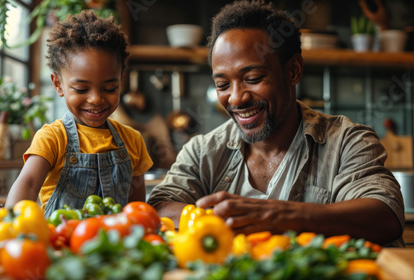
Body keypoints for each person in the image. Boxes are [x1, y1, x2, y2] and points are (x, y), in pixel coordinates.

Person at [147, 0, 405, 247]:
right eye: (223, 85)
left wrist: (278, 216)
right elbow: (161, 207)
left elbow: (384, 215)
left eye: (254, 77)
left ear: (293, 70)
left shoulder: (348, 141)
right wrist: (214, 221)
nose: (236, 97)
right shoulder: (202, 152)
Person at [6, 10, 153, 218]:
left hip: (113, 247)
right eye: (82, 90)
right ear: (58, 84)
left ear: (121, 79)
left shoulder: (133, 141)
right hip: (59, 245)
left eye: (110, 88)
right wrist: (10, 223)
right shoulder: (53, 138)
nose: (96, 99)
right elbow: (28, 184)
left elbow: (136, 208)